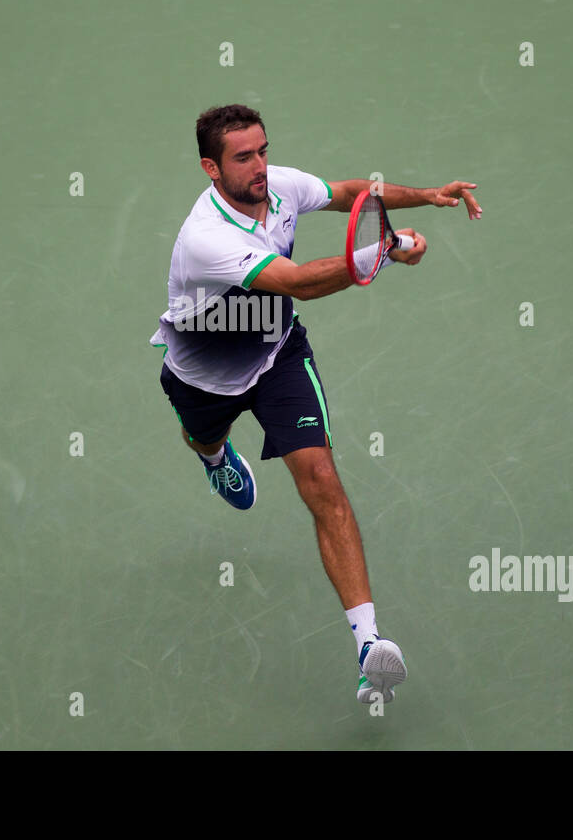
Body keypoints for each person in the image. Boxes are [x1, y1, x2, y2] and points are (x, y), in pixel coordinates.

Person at [151, 104, 482, 704]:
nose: (260, 167)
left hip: (276, 355)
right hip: (203, 374)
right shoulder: (206, 240)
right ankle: (214, 456)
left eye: (263, 150)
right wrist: (385, 251)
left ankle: (369, 646)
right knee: (202, 437)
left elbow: (352, 192)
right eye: (243, 157)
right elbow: (300, 281)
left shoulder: (277, 188)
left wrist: (426, 196)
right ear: (210, 167)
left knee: (322, 478)